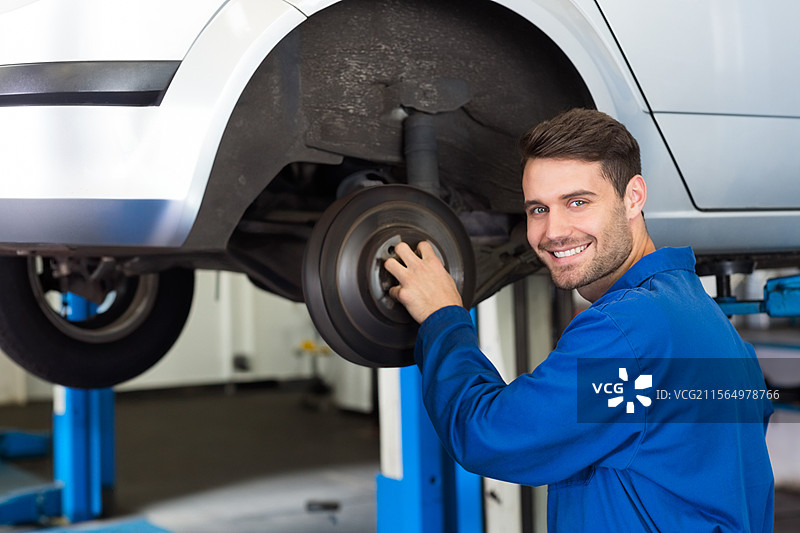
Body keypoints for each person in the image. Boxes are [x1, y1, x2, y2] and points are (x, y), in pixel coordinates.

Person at [384, 108, 774, 532]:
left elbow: (488, 434)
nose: (553, 231)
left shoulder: (627, 333)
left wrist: (443, 316)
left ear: (634, 197)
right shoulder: (705, 321)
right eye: (537, 209)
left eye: (577, 202)